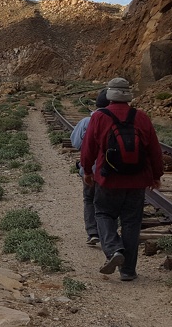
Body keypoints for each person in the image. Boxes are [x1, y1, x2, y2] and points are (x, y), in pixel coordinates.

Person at [80, 77, 163, 282]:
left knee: (103, 213)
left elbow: (88, 147)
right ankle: (128, 271)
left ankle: (114, 249)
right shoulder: (141, 117)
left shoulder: (99, 117)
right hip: (136, 181)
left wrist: (87, 172)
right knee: (132, 223)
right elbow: (154, 150)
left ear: (109, 95)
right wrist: (156, 176)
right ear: (128, 95)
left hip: (108, 179)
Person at [70, 88, 109, 247]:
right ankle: (108, 235)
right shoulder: (117, 121)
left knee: (89, 199)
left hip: (89, 170)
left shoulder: (86, 121)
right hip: (110, 171)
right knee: (105, 203)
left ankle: (93, 232)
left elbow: (75, 143)